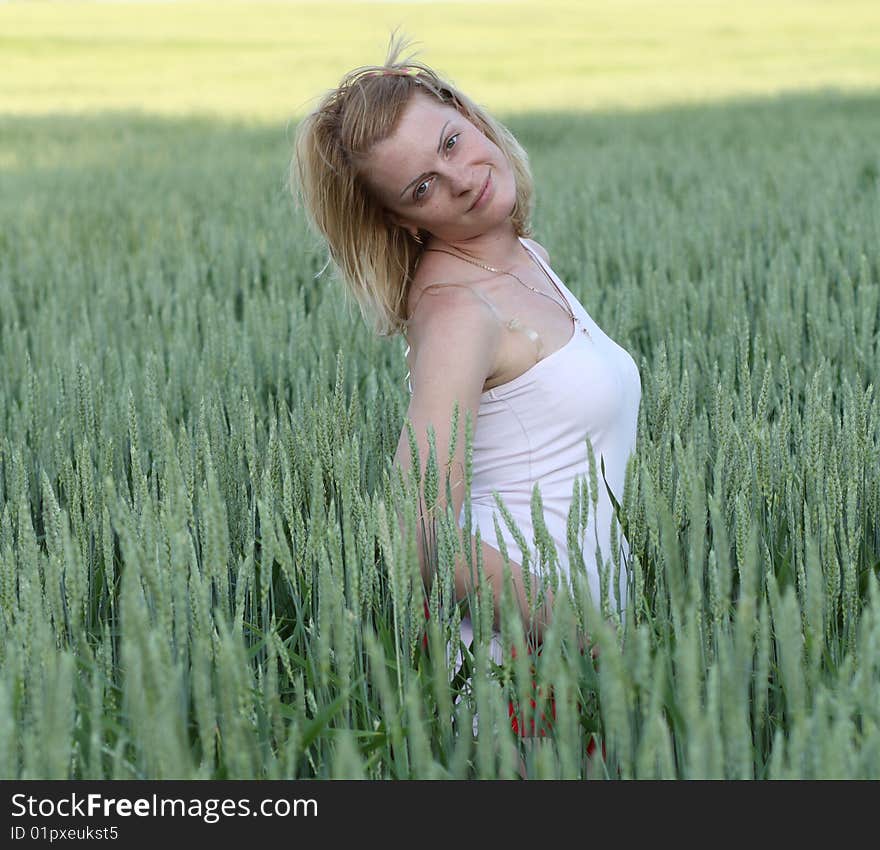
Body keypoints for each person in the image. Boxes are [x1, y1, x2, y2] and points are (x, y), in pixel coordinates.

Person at [291, 35, 641, 744]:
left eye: (451, 142)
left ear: (468, 114)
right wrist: (573, 624)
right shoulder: (458, 314)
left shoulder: (521, 254)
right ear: (401, 219)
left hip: (592, 653)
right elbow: (415, 528)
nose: (460, 178)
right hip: (527, 673)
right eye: (421, 186)